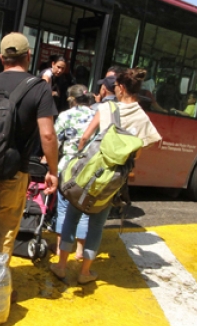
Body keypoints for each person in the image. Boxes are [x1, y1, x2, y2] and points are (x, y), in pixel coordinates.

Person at [51, 68, 161, 285]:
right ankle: (85, 272)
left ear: (121, 88)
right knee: (96, 225)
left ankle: (61, 266)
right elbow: (137, 153)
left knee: (72, 216)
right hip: (113, 178)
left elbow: (84, 138)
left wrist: (79, 160)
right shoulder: (143, 118)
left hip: (90, 170)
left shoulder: (107, 108)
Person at [0, 32, 59, 264]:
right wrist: (53, 171)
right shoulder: (39, 88)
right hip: (14, 173)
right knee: (4, 234)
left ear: (1, 57)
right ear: (29, 55)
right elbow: (47, 134)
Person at [53, 85, 95, 261]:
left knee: (63, 208)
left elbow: (55, 140)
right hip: (90, 167)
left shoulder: (65, 115)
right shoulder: (96, 115)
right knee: (84, 209)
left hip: (68, 167)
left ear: (71, 99)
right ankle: (79, 250)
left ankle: (60, 247)